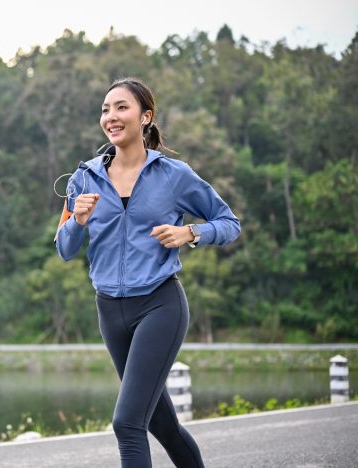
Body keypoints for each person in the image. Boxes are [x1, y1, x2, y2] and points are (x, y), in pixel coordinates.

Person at [54, 77, 241, 468]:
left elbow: (229, 223)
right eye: (106, 109)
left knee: (127, 423)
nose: (111, 116)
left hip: (160, 305)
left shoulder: (173, 175)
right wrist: (78, 221)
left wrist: (191, 231)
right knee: (162, 425)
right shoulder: (84, 178)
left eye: (122, 107)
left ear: (146, 116)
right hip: (110, 312)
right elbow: (65, 249)